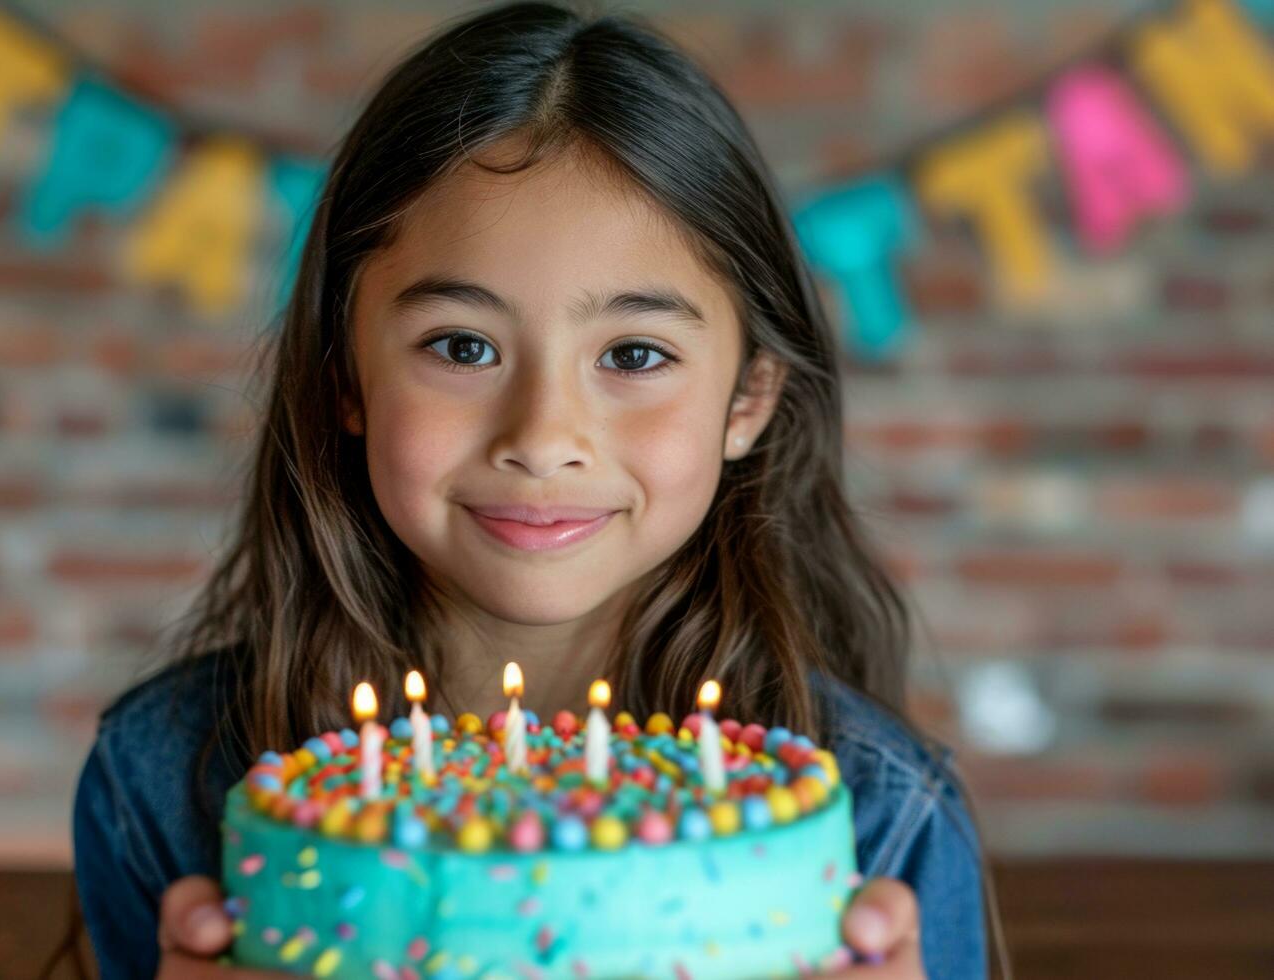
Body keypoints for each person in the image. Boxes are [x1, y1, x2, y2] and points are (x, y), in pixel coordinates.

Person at [65, 2, 1011, 977]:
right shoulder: (167, 777)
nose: (542, 438)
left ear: (748, 398)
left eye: (635, 353)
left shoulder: (877, 814)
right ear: (346, 375)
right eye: (463, 346)